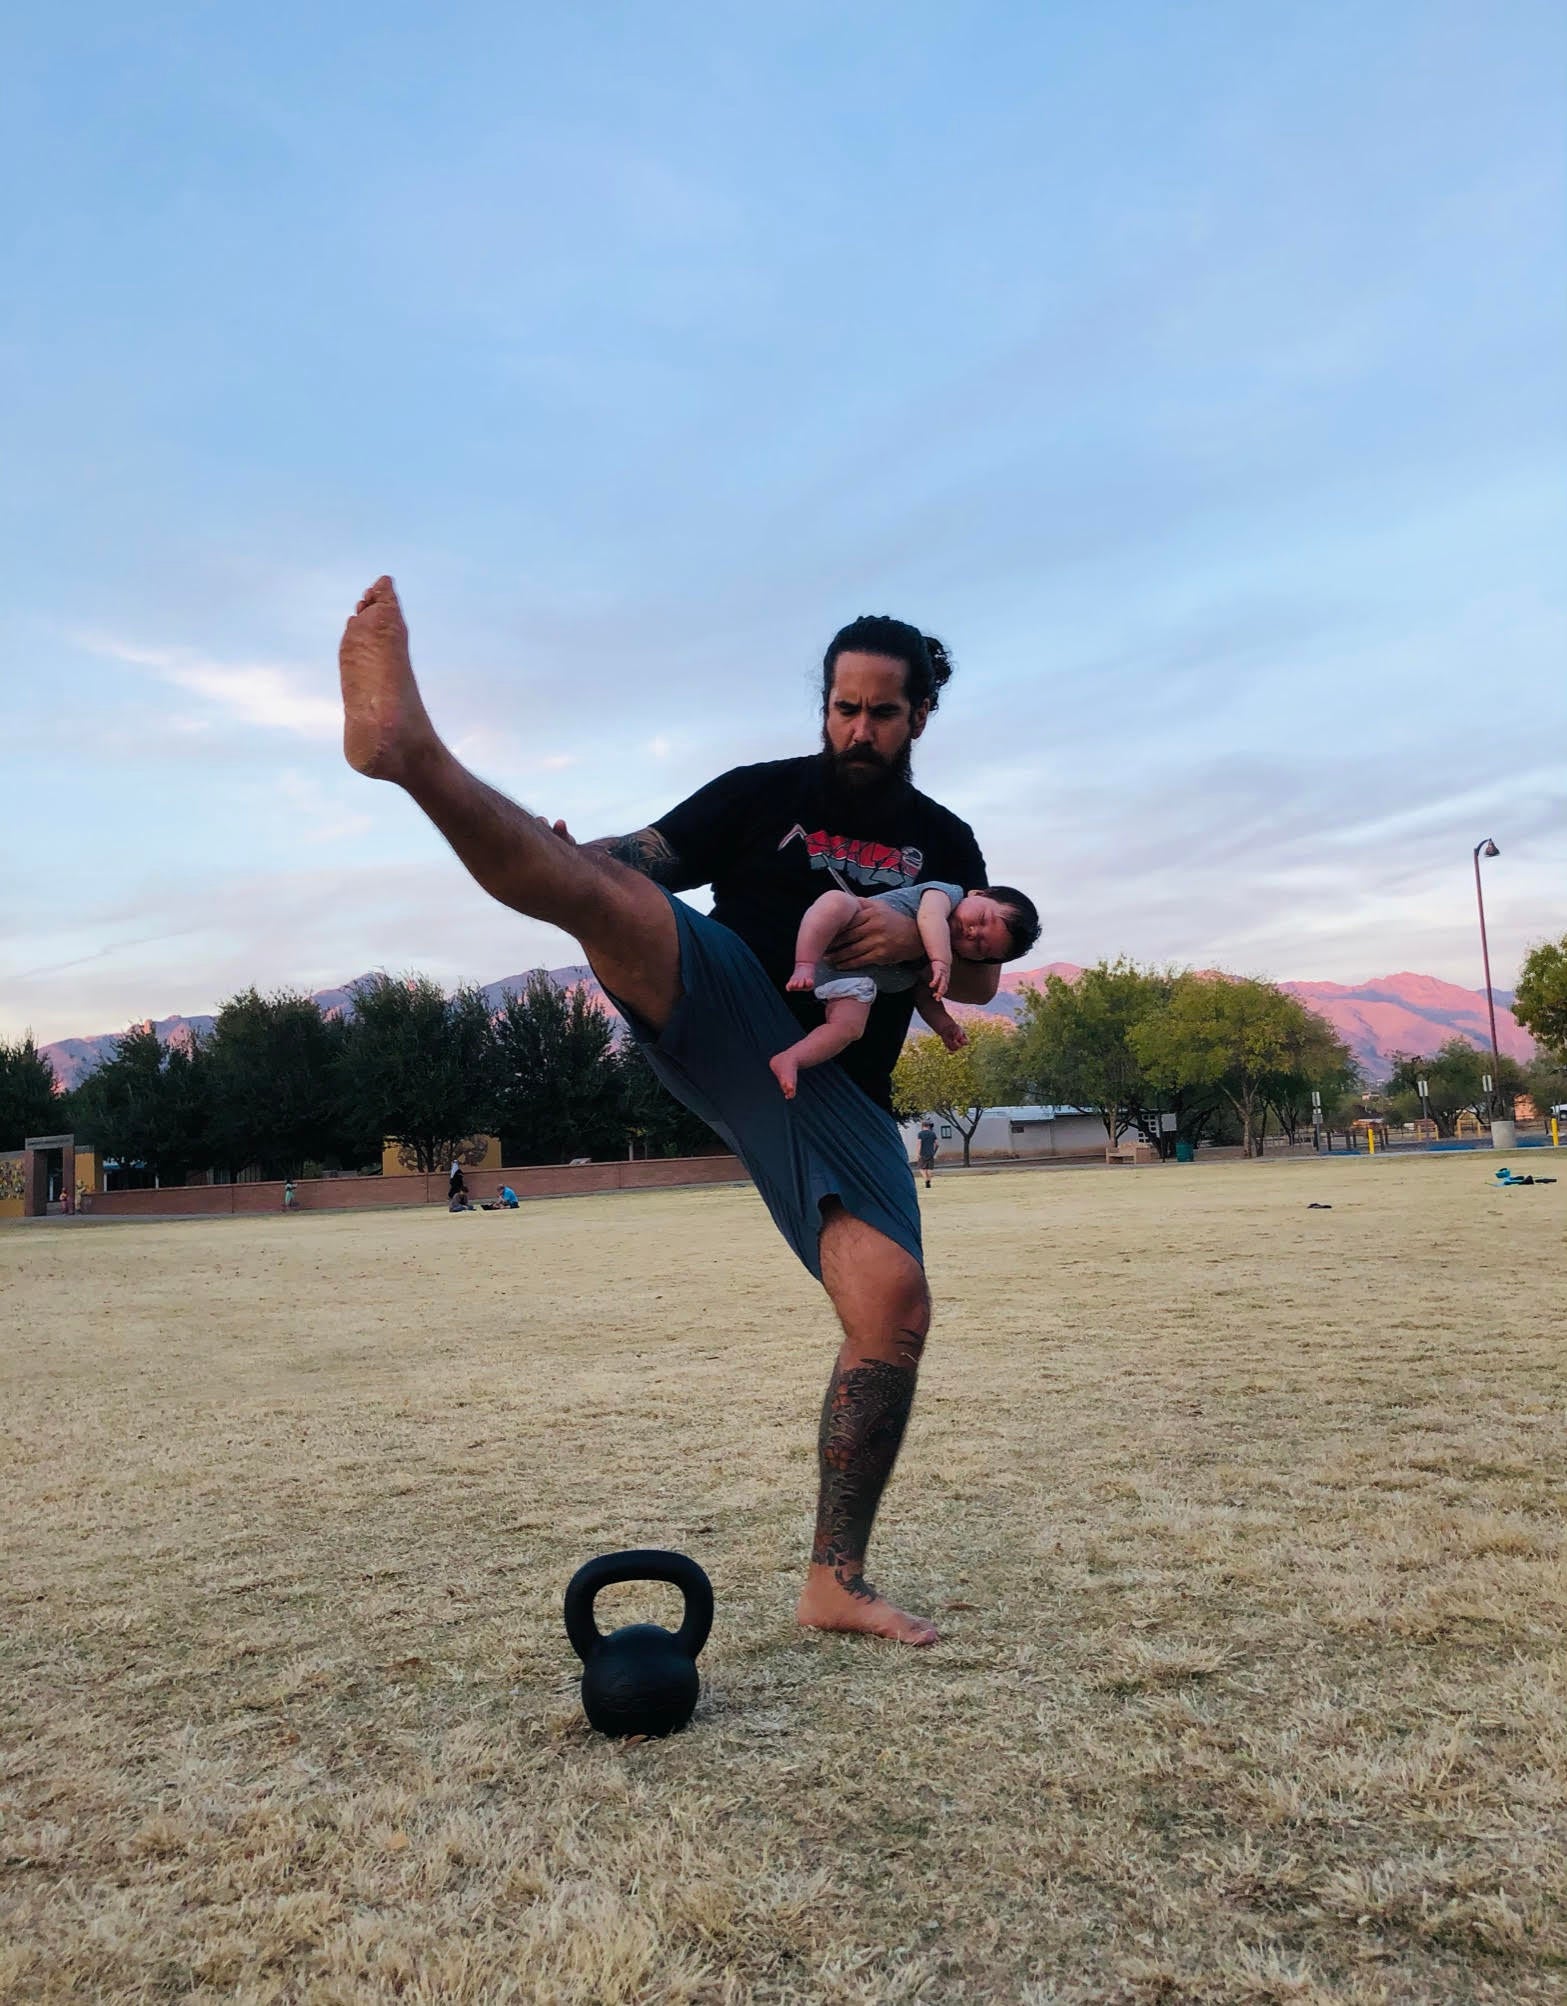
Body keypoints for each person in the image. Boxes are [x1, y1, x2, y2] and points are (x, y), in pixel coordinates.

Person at [339, 583, 1001, 1645]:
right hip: (728, 994)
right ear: (823, 704)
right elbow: (633, 858)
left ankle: (834, 1580)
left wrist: (914, 940)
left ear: (921, 714)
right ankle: (408, 752)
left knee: (894, 1309)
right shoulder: (757, 793)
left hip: (840, 1091)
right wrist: (565, 853)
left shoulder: (944, 838)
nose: (857, 729)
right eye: (841, 707)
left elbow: (971, 982)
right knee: (605, 897)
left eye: (881, 711)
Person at [770, 880, 1040, 1098]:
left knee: (849, 1028)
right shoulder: (945, 894)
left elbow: (927, 999)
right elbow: (929, 917)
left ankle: (792, 1059)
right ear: (978, 892)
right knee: (835, 901)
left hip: (851, 980)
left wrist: (945, 1026)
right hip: (845, 925)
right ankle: (804, 963)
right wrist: (940, 960)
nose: (972, 932)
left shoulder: (928, 967)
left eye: (980, 947)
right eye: (981, 918)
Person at [917, 1120, 939, 1189]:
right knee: (929, 1168)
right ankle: (929, 1181)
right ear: (928, 1126)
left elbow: (919, 1144)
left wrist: (918, 1153)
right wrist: (934, 1152)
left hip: (922, 1153)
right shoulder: (932, 1133)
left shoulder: (920, 1134)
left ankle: (926, 1179)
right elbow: (937, 1144)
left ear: (922, 1126)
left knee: (921, 1168)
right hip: (930, 1153)